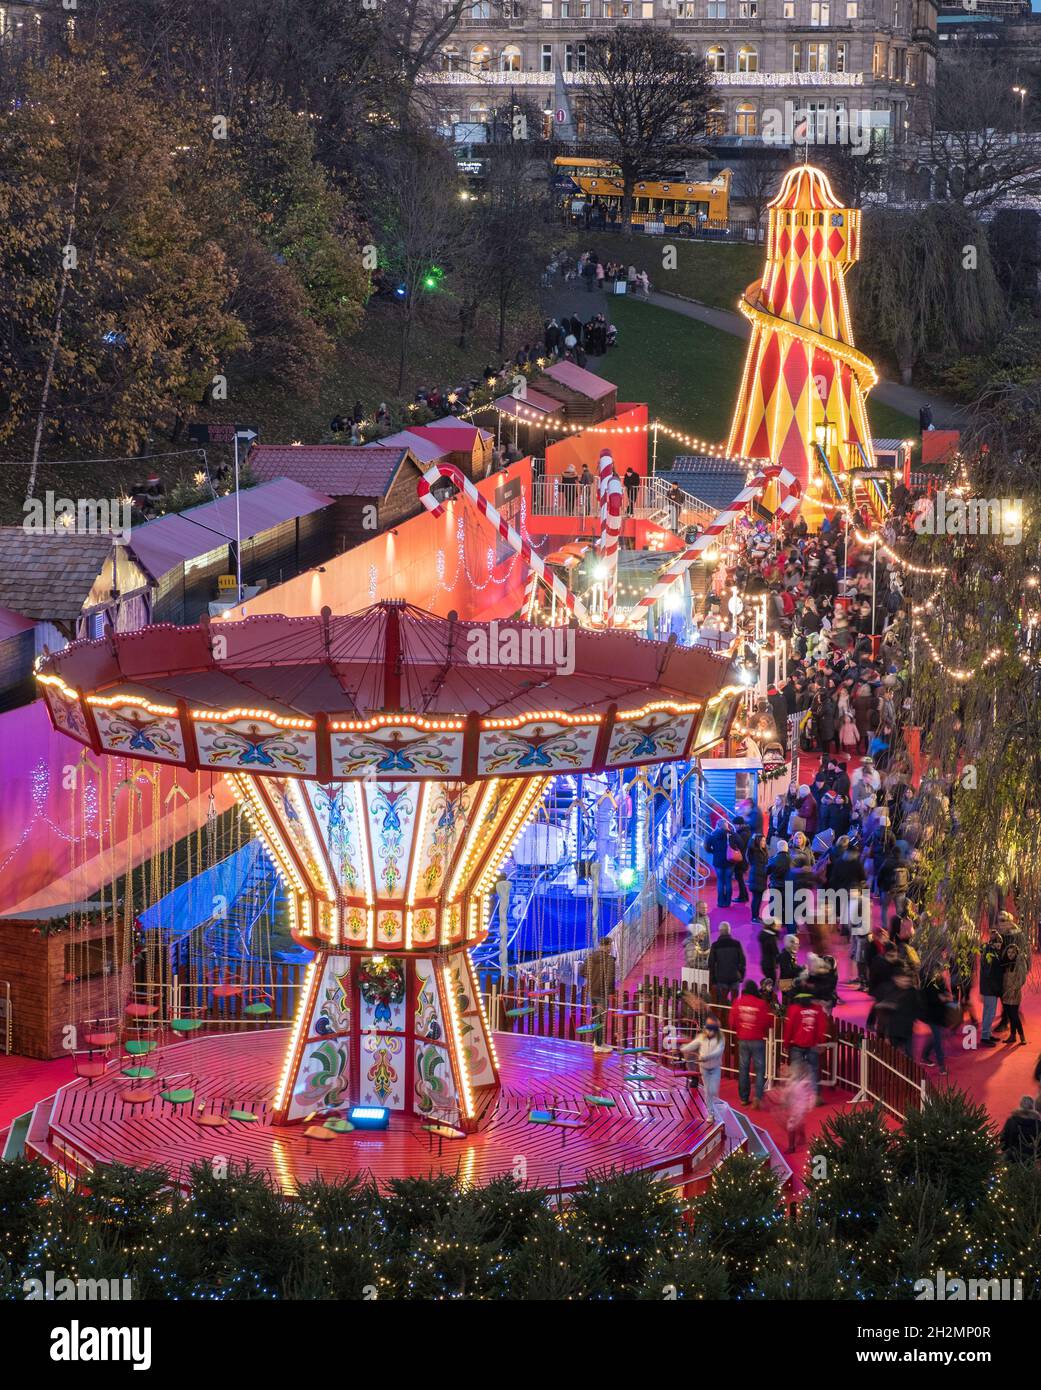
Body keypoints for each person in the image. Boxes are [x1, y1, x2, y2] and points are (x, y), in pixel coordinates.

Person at [782, 989, 829, 1097]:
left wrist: (786, 1044)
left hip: (796, 1045)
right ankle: (816, 1095)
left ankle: (795, 1095)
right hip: (812, 1044)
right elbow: (822, 1027)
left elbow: (789, 1028)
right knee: (814, 1070)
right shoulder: (817, 1009)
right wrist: (821, 1042)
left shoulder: (793, 1009)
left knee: (796, 1071)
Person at [733, 980, 772, 1109]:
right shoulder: (761, 1004)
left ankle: (744, 1098)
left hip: (743, 1039)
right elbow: (766, 1021)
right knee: (760, 1070)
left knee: (743, 1069)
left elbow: (732, 1021)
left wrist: (740, 1030)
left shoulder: (738, 1003)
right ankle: (758, 1097)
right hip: (757, 1040)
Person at [681, 1016, 725, 1118]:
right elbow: (693, 1044)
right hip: (704, 1068)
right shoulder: (702, 1036)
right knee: (707, 1091)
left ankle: (714, 1108)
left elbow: (719, 1051)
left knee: (713, 1090)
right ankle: (710, 1113)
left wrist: (707, 1057)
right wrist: (683, 1048)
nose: (710, 1031)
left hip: (715, 1068)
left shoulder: (721, 1038)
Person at [580, 936, 616, 1054]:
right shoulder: (609, 960)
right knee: (600, 1019)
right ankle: (598, 1045)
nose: (611, 948)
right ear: (606, 946)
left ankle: (598, 1041)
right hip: (602, 993)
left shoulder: (591, 957)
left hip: (592, 992)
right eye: (610, 945)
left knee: (596, 1017)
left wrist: (592, 978)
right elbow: (610, 979)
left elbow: (581, 971)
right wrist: (610, 992)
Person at [778, 1056, 816, 1154]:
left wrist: (810, 1104)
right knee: (798, 1122)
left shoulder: (803, 1083)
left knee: (790, 1125)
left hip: (799, 1108)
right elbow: (787, 1092)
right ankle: (802, 1136)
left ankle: (791, 1147)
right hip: (794, 1106)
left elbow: (811, 1093)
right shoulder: (793, 1081)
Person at [707, 920, 745, 1005]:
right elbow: (742, 961)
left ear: (720, 931)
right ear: (729, 930)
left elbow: (711, 964)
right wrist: (741, 975)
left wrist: (713, 980)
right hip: (735, 977)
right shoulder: (736, 944)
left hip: (721, 978)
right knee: (735, 1002)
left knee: (722, 1002)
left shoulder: (715, 945)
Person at [979, 930, 1005, 1047]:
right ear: (993, 942)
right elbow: (990, 974)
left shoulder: (990, 952)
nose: (1000, 945)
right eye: (998, 943)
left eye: (1000, 943)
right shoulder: (990, 955)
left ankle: (987, 1033)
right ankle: (985, 1036)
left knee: (988, 1012)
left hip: (989, 988)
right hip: (990, 988)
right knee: (990, 1013)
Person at [1000, 1096, 1041, 1163]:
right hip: (1031, 1160)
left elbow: (1003, 1139)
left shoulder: (1011, 1121)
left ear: (1021, 1105)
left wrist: (1006, 1150)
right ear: (1032, 1107)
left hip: (1011, 1158)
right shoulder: (1038, 1124)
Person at [682, 924, 710, 997]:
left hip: (695, 975)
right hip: (692, 976)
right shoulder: (691, 945)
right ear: (697, 934)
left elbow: (697, 955)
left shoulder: (696, 944)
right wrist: (706, 965)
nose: (704, 934)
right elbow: (691, 962)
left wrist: (705, 953)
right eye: (703, 932)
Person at [747, 832, 770, 922]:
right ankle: (754, 917)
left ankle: (756, 916)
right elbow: (750, 846)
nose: (764, 842)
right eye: (762, 841)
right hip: (756, 877)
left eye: (764, 840)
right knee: (756, 898)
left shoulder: (764, 851)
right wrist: (753, 837)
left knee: (759, 898)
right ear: (758, 841)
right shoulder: (754, 851)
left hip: (761, 878)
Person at [758, 915, 781, 984]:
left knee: (769, 980)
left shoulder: (764, 935)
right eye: (778, 925)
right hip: (770, 964)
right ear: (773, 926)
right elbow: (775, 952)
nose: (779, 927)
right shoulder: (772, 938)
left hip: (765, 962)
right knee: (772, 982)